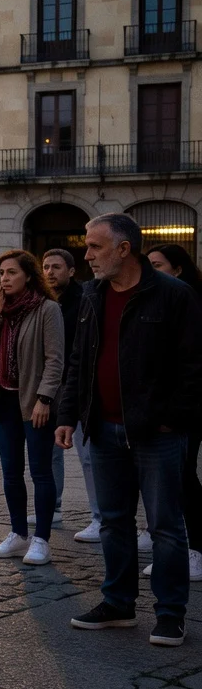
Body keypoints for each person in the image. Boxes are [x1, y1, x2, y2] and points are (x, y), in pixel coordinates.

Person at [59, 214, 201, 647]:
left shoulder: (174, 294)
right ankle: (118, 603)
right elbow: (79, 360)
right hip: (102, 428)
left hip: (156, 433)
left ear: (124, 249)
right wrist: (68, 414)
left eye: (95, 247)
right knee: (113, 523)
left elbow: (195, 365)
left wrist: (171, 418)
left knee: (165, 526)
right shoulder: (92, 295)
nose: (87, 255)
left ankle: (171, 614)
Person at [0, 251, 63, 567]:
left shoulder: (47, 309)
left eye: (12, 272)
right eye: (1, 273)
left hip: (35, 403)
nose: (5, 278)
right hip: (5, 403)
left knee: (40, 471)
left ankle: (41, 539)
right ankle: (18, 534)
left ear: (28, 275)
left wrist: (45, 399)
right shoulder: (2, 309)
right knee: (11, 471)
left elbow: (55, 360)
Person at [144, 244, 202, 582]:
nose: (150, 271)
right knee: (170, 478)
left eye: (158, 265)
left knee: (184, 478)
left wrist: (176, 411)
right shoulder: (157, 299)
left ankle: (195, 550)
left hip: (187, 407)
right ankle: (169, 545)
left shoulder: (188, 300)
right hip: (164, 404)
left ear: (177, 269)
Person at [42, 249, 101, 544]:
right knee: (50, 451)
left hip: (78, 385)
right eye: (45, 267)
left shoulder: (84, 299)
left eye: (56, 267)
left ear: (71, 270)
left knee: (88, 455)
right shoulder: (43, 301)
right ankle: (52, 508)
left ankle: (99, 517)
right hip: (50, 386)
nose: (50, 272)